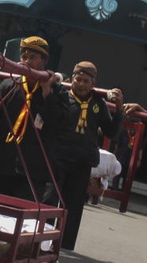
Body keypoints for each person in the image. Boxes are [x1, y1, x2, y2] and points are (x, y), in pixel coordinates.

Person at [41, 61, 123, 251]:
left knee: (74, 204)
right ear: (73, 79)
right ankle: (42, 240)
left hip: (82, 160)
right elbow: (50, 119)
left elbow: (111, 132)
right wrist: (48, 94)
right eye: (78, 80)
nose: (81, 84)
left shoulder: (98, 103)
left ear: (93, 83)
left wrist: (119, 110)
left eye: (86, 81)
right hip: (59, 156)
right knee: (50, 198)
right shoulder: (62, 96)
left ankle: (64, 244)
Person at [0, 36, 60, 201]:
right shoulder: (8, 85)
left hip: (32, 171)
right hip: (1, 164)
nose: (26, 62)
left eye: (32, 57)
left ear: (44, 60)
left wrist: (48, 94)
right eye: (24, 57)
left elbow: (57, 125)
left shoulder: (56, 91)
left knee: (21, 221)